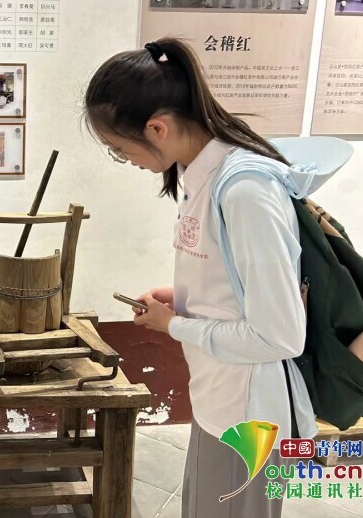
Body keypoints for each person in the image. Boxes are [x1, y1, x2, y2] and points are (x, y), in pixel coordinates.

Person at [83, 37, 321, 518]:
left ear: (157, 128)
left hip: (249, 414)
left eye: (119, 149)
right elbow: (233, 282)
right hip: (218, 396)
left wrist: (173, 325)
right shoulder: (201, 177)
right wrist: (181, 296)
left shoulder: (245, 189)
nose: (126, 160)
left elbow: (279, 336)